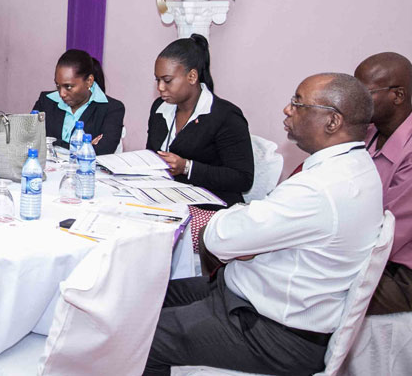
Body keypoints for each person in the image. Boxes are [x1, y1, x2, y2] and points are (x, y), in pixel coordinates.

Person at [144, 73, 383, 376]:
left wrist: (241, 228)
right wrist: (248, 229)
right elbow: (250, 232)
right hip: (251, 292)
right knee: (147, 295)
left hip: (273, 331)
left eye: (298, 103)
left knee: (140, 339)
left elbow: (219, 239)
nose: (288, 109)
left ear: (332, 121)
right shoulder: (358, 168)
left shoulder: (320, 188)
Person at [147, 34, 253, 208]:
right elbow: (151, 155)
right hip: (168, 199)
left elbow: (243, 179)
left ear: (192, 76)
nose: (160, 87)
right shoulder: (160, 108)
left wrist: (187, 167)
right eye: (157, 80)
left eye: (167, 80)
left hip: (211, 205)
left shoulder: (226, 116)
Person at [355, 52, 412, 315]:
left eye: (364, 93)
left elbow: (386, 236)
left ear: (397, 95)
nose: (354, 101)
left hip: (400, 270)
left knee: (318, 293)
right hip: (366, 250)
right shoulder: (368, 132)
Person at [32, 49, 125, 155]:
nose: (62, 93)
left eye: (68, 86)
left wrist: (50, 143)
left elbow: (103, 152)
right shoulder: (46, 101)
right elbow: (28, 140)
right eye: (58, 85)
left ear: (89, 81)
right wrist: (85, 147)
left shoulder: (112, 109)